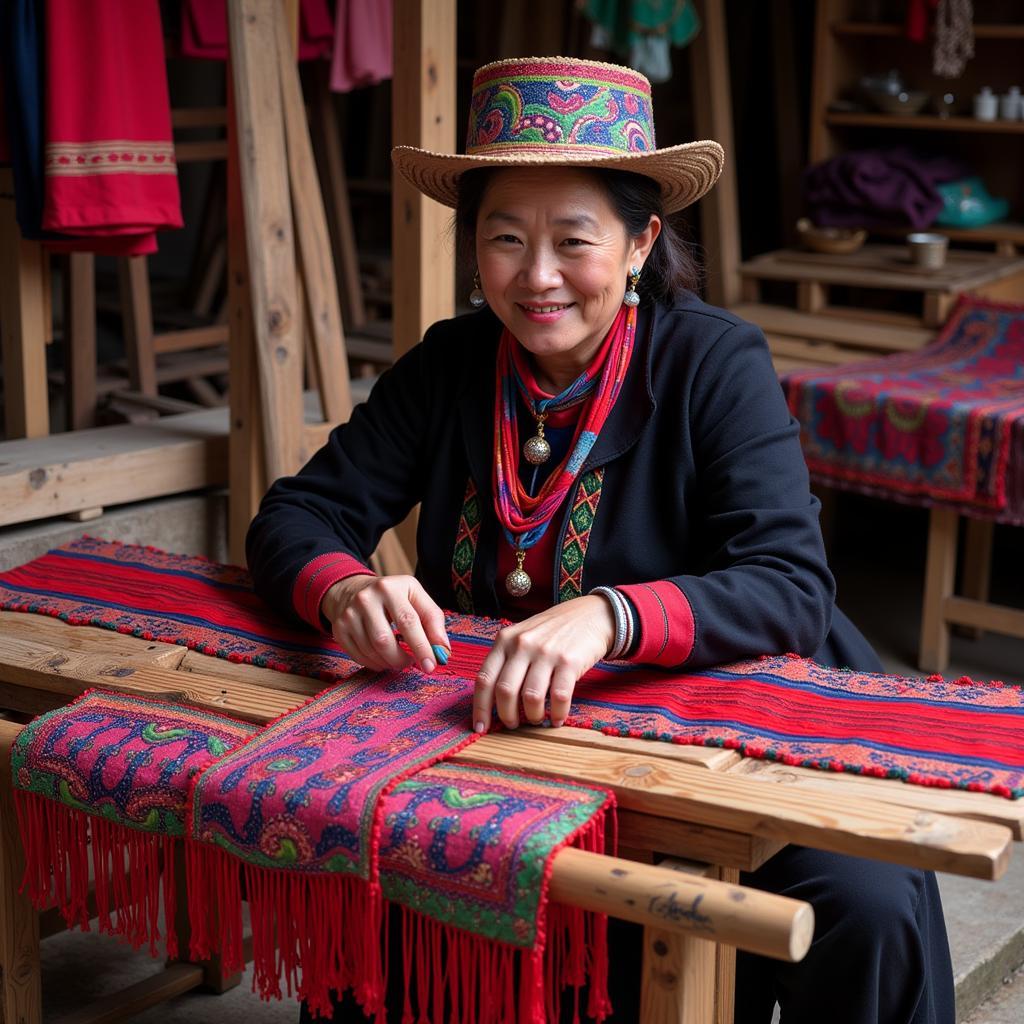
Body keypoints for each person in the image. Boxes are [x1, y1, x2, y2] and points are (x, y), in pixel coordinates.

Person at [247, 56, 954, 1024]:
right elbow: (296, 514)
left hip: (735, 715)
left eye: (572, 239)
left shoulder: (714, 361)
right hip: (516, 732)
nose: (535, 276)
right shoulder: (452, 364)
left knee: (869, 907)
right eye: (503, 238)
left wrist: (610, 616)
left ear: (639, 241)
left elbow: (789, 582)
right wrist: (343, 590)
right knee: (375, 854)